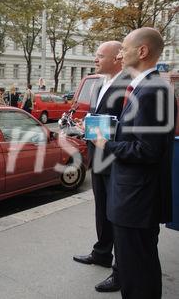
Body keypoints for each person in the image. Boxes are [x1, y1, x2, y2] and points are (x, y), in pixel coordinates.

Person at [93, 27, 176, 298]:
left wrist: (107, 144)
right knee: (138, 267)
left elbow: (147, 150)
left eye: (124, 48)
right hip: (134, 196)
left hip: (136, 199)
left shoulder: (152, 91)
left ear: (142, 51)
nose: (120, 53)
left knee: (137, 272)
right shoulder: (147, 87)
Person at [72, 41, 130, 293]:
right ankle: (102, 252)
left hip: (116, 160)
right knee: (102, 210)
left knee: (117, 215)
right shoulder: (99, 83)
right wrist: (88, 126)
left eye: (99, 55)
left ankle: (121, 270)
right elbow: (100, 118)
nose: (95, 59)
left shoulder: (127, 85)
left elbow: (127, 126)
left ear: (117, 58)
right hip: (98, 156)